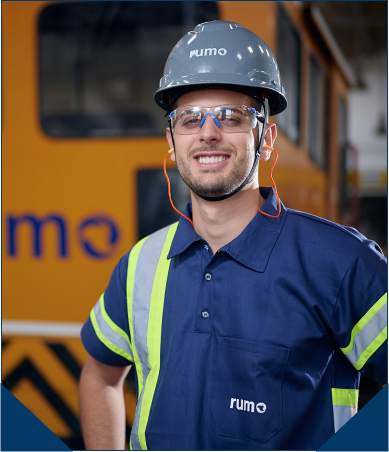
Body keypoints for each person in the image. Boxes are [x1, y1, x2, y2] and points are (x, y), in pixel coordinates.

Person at [79, 21, 387, 451]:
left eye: (230, 116)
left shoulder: (341, 262)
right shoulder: (140, 264)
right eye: (190, 119)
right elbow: (100, 373)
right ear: (172, 139)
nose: (208, 132)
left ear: (265, 137)